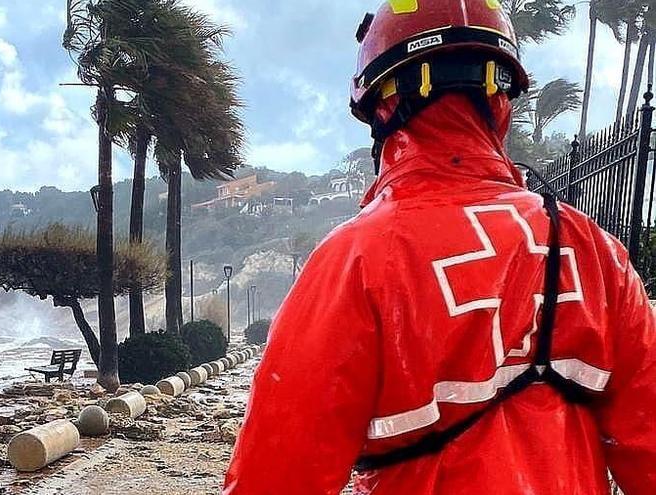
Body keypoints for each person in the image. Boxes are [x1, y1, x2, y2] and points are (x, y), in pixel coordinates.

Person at [223, 1, 656, 494]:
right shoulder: (594, 251)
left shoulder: (356, 259)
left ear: (381, 108)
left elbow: (275, 473)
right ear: (501, 103)